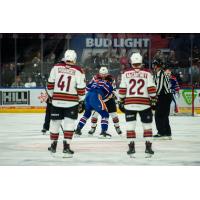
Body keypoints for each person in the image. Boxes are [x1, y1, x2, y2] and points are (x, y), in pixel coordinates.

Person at [47, 49, 86, 157]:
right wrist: (81, 100)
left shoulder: (56, 67)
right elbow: (81, 88)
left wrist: (51, 96)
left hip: (56, 101)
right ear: (74, 59)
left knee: (55, 123)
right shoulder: (79, 70)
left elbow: (50, 84)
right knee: (69, 124)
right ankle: (66, 147)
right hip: (71, 102)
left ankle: (53, 146)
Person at [118, 53, 157, 157]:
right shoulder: (147, 73)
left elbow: (122, 90)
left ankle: (131, 148)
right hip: (145, 104)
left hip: (130, 104)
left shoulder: (125, 73)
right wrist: (153, 99)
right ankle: (148, 148)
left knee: (130, 127)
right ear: (141, 62)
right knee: (147, 127)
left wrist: (121, 100)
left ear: (131, 62)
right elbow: (152, 90)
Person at [87, 66, 122, 137]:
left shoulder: (111, 78)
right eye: (101, 74)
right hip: (99, 99)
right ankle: (93, 128)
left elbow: (114, 89)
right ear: (99, 73)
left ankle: (117, 127)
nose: (103, 76)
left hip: (109, 99)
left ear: (107, 73)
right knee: (95, 114)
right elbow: (89, 87)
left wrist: (112, 95)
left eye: (105, 74)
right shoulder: (95, 77)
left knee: (114, 114)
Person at [152, 59, 173, 139]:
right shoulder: (158, 73)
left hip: (164, 96)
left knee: (159, 115)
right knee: (164, 115)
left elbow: (159, 87)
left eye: (154, 65)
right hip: (165, 96)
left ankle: (161, 132)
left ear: (156, 65)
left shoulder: (161, 73)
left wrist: (153, 95)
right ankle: (167, 133)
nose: (153, 66)